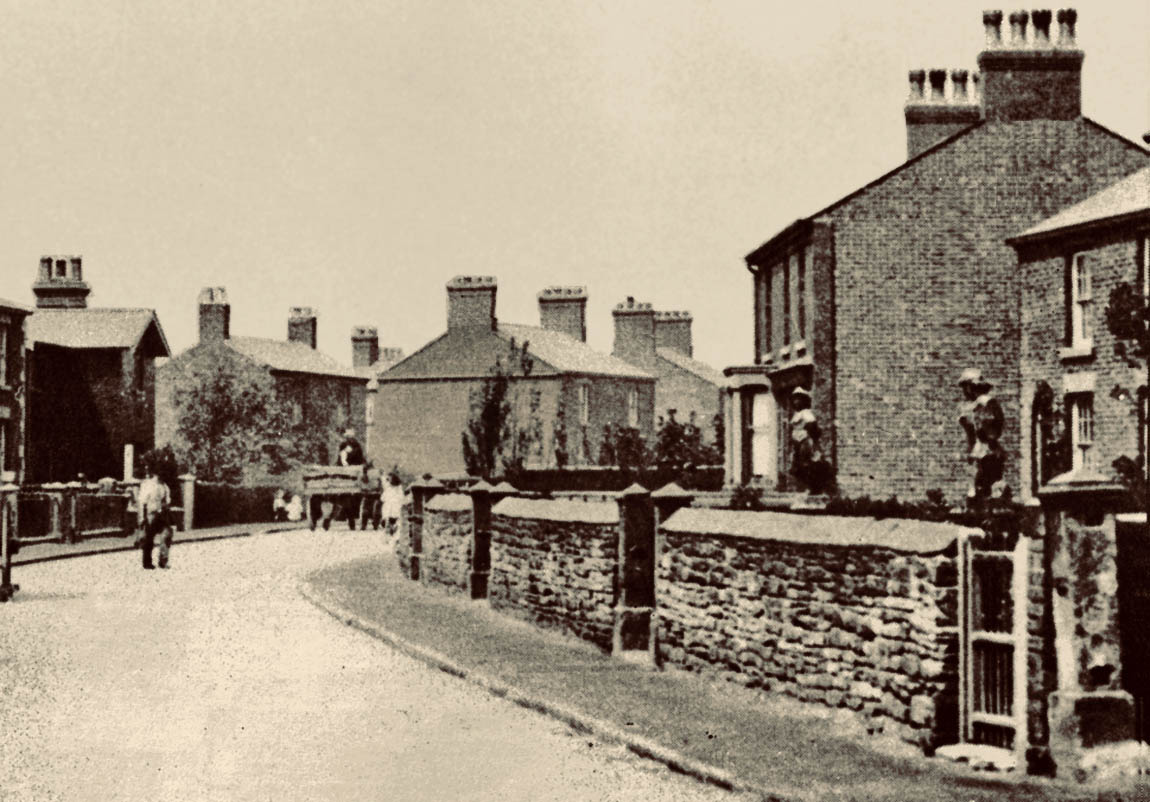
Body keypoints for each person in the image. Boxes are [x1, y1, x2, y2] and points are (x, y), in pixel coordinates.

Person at [137, 461, 172, 570]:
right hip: (150, 514)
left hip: (161, 515)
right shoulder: (148, 485)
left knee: (166, 534)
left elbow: (168, 501)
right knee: (148, 539)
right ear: (156, 473)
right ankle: (147, 562)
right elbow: (142, 502)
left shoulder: (165, 486)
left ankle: (163, 561)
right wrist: (142, 518)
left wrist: (165, 506)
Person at [381, 470, 404, 536]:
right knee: (393, 520)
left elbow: (382, 498)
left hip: (390, 507)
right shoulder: (399, 488)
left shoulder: (389, 489)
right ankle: (392, 530)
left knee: (389, 519)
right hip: (394, 507)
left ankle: (390, 531)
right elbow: (401, 497)